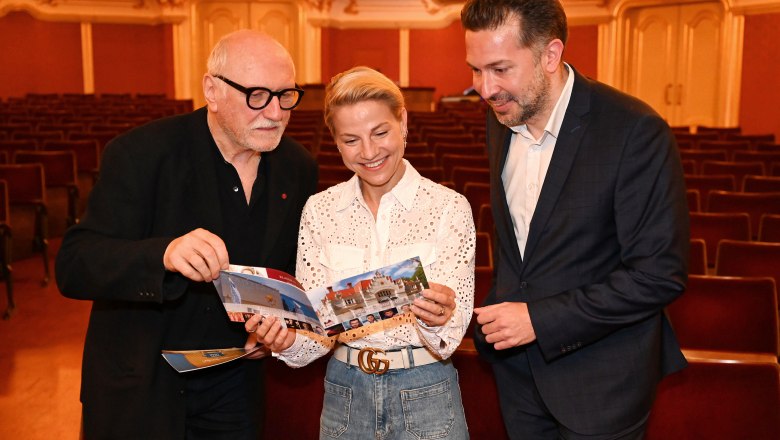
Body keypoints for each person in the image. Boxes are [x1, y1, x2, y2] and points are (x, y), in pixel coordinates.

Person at [55, 29, 318, 439]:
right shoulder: (141, 153)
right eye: (257, 96)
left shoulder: (297, 166)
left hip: (237, 384)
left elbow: (283, 272)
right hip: (142, 386)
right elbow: (75, 263)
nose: (275, 112)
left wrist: (276, 326)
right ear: (212, 91)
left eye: (286, 95)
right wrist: (164, 253)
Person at [461, 1, 689, 439]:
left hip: (602, 385)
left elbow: (659, 275)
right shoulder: (501, 118)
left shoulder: (634, 130)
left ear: (550, 55)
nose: (484, 89)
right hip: (517, 379)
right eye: (475, 69)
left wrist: (539, 321)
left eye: (500, 69)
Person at [245, 66, 475, 439]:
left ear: (402, 121)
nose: (369, 152)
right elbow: (317, 330)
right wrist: (287, 340)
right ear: (335, 141)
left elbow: (450, 334)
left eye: (380, 132)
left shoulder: (448, 207)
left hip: (427, 392)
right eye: (351, 140)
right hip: (345, 393)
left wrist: (440, 316)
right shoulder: (320, 210)